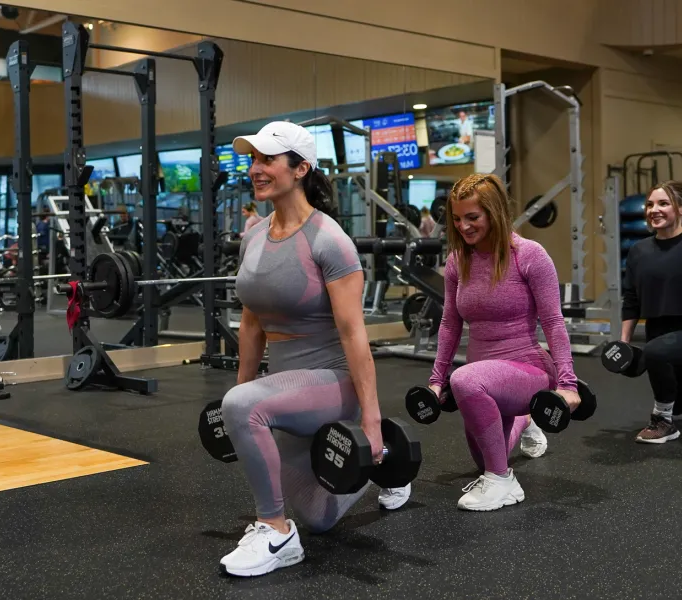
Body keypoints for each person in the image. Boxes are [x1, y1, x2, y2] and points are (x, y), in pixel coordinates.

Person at [217, 121, 409, 578]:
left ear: (300, 168)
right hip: (286, 384)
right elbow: (250, 320)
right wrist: (242, 389)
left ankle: (276, 532)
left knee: (243, 409)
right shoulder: (253, 236)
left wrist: (369, 417)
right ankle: (392, 463)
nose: (255, 169)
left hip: (332, 379)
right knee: (321, 517)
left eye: (267, 160)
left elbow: (354, 334)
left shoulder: (329, 240)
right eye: (253, 160)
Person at [428, 173, 580, 511]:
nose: (463, 226)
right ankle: (523, 424)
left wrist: (568, 383)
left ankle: (503, 481)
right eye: (456, 218)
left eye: (473, 217)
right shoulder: (457, 260)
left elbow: (554, 322)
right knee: (483, 453)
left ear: (494, 213)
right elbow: (450, 323)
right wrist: (435, 381)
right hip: (486, 374)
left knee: (465, 379)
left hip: (528, 369)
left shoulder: (530, 255)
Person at [621, 181, 682, 443]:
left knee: (655, 352)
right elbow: (632, 299)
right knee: (656, 352)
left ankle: (662, 418)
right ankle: (670, 415)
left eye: (663, 203)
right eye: (650, 204)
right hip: (657, 330)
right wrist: (623, 343)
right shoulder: (639, 251)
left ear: (680, 208)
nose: (654, 209)